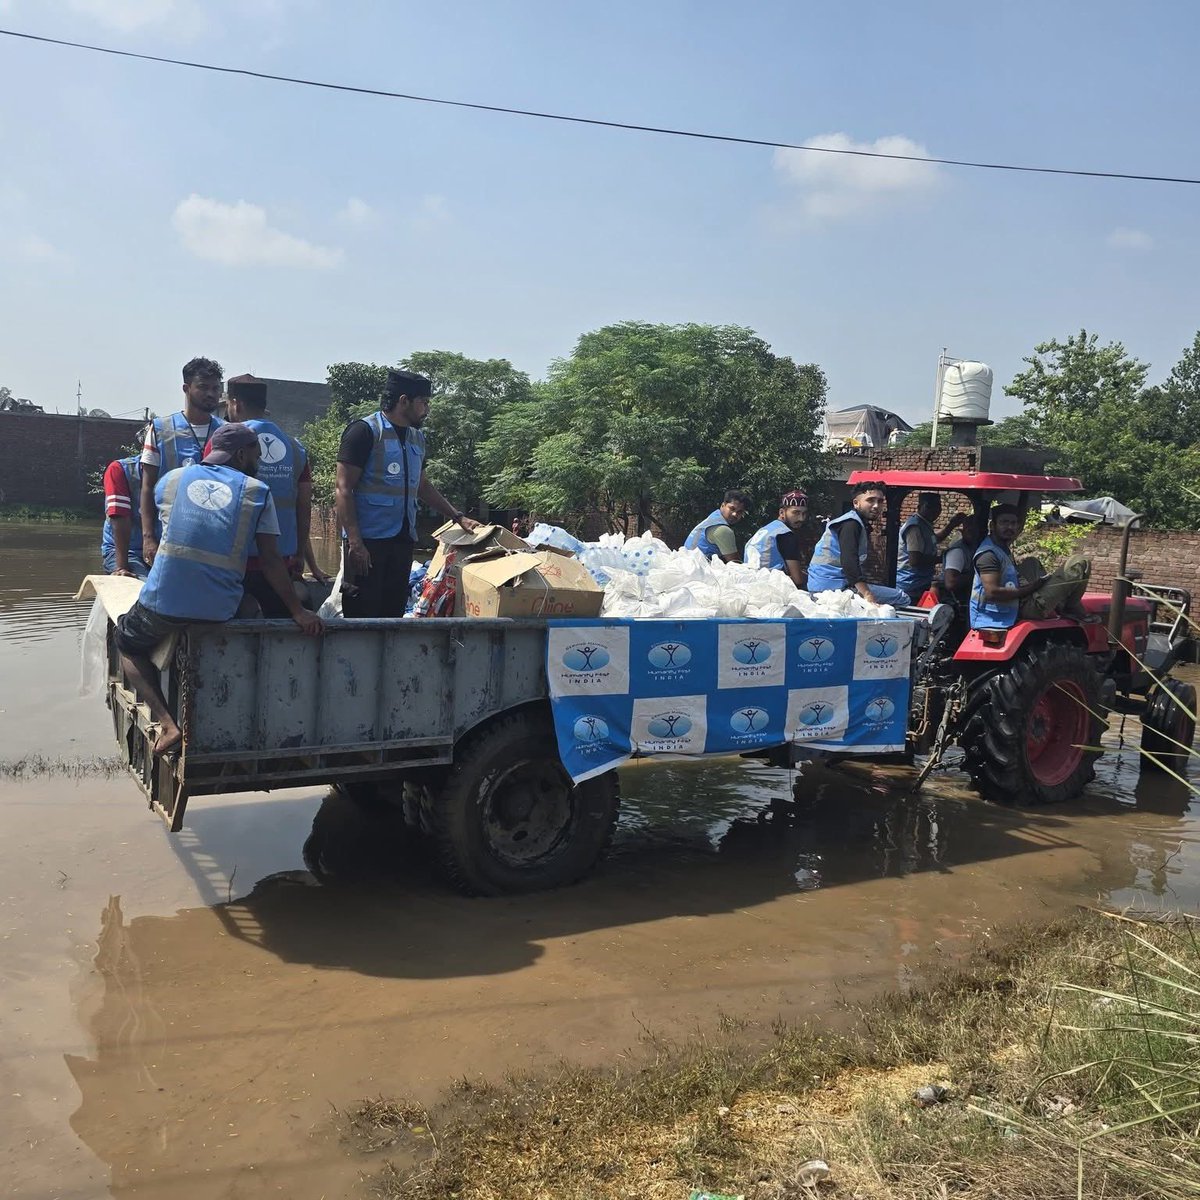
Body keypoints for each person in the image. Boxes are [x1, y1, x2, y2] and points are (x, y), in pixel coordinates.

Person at [115, 424, 323, 756]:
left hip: (163, 603)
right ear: (241, 454)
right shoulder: (258, 492)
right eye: (255, 454)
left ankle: (168, 724)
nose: (258, 461)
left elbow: (167, 524)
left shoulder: (171, 481)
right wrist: (298, 612)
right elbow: (271, 562)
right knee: (251, 607)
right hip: (218, 609)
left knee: (126, 643)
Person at [335, 368, 481, 617]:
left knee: (393, 612)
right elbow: (343, 489)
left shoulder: (417, 438)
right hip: (368, 543)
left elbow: (422, 486)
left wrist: (457, 516)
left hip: (401, 540)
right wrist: (356, 542)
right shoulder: (365, 432)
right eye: (423, 403)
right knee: (362, 613)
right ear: (404, 401)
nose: (427, 409)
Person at [224, 375, 329, 616]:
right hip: (283, 563)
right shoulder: (294, 447)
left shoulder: (225, 443)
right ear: (265, 407)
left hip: (237, 563)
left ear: (235, 404)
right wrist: (300, 555)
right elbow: (303, 506)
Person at [140, 357, 225, 567]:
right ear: (186, 388)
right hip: (170, 539)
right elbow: (147, 487)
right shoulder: (161, 429)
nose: (211, 394)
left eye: (216, 388)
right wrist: (148, 538)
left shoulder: (226, 431)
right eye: (203, 387)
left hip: (215, 542)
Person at [806, 480, 911, 606]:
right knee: (902, 597)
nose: (876, 506)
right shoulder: (851, 524)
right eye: (870, 500)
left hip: (824, 586)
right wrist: (867, 594)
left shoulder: (854, 523)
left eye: (880, 501)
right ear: (856, 503)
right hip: (833, 589)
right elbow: (849, 562)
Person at [744, 489, 811, 589]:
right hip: (771, 589)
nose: (801, 518)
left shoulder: (765, 530)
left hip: (748, 583)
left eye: (804, 513)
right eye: (796, 513)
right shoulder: (786, 535)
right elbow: (797, 580)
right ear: (782, 512)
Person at [100, 454, 150, 578]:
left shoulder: (175, 472)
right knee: (145, 588)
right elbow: (119, 517)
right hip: (127, 553)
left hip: (163, 554)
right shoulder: (120, 470)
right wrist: (121, 566)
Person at [895, 492, 943, 601]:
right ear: (919, 507)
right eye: (929, 507)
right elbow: (915, 560)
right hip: (910, 585)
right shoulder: (915, 527)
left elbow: (935, 539)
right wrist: (940, 559)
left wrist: (951, 525)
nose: (934, 510)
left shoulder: (924, 525)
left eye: (937, 507)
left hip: (920, 583)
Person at [683, 489, 751, 563]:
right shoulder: (722, 530)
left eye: (739, 512)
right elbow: (735, 564)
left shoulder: (712, 519)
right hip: (695, 571)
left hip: (685, 564)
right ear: (723, 505)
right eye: (732, 508)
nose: (735, 514)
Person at [940, 513, 981, 600]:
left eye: (977, 531)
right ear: (962, 532)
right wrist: (977, 575)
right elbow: (951, 583)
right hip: (953, 600)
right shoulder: (958, 551)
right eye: (970, 531)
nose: (974, 534)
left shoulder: (974, 548)